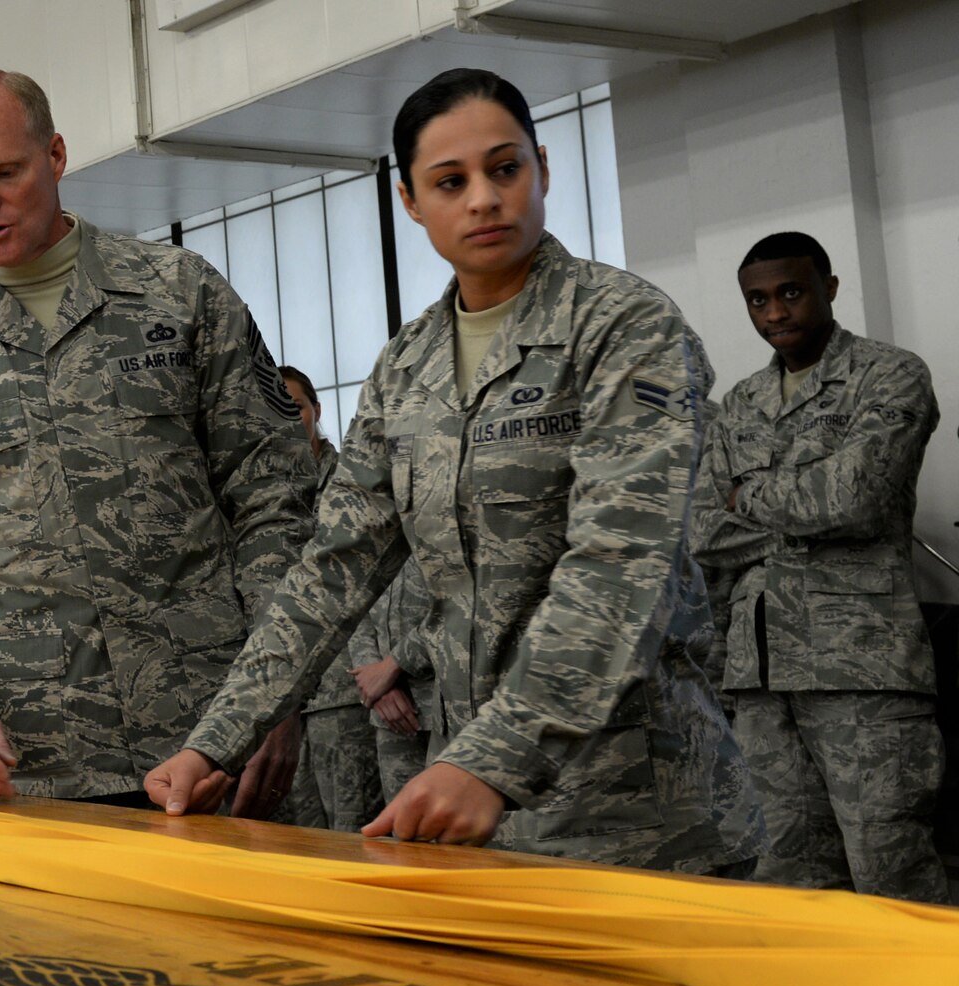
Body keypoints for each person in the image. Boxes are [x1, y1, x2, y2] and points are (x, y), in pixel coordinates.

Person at [148, 68, 763, 877]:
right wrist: (217, 739)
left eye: (505, 169)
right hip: (468, 809)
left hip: (639, 809)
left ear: (541, 168)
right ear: (410, 202)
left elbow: (621, 562)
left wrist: (495, 760)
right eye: (450, 181)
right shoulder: (407, 367)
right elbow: (332, 570)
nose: (483, 198)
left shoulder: (625, 326)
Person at [0, 68, 317, 810]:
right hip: (28, 756)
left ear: (56, 156)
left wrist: (272, 694)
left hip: (208, 739)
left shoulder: (180, 294)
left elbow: (275, 503)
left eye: (5, 173)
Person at [692, 232, 948, 903]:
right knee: (787, 878)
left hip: (859, 664)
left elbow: (857, 496)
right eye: (758, 300)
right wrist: (800, 515)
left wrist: (747, 495)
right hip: (761, 671)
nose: (775, 311)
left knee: (889, 868)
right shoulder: (742, 403)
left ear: (829, 288)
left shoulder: (889, 375)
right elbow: (701, 530)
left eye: (791, 291)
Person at [275, 367, 384, 831]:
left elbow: (377, 577)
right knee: (288, 843)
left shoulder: (351, 484)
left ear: (316, 411)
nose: (285, 420)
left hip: (342, 693)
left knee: (354, 835)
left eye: (294, 408)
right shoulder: (259, 495)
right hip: (275, 700)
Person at [348, 554, 435, 803]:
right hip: (389, 713)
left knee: (468, 835)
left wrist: (393, 665)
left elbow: (461, 607)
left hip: (453, 707)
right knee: (403, 834)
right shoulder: (376, 525)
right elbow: (354, 604)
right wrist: (373, 677)